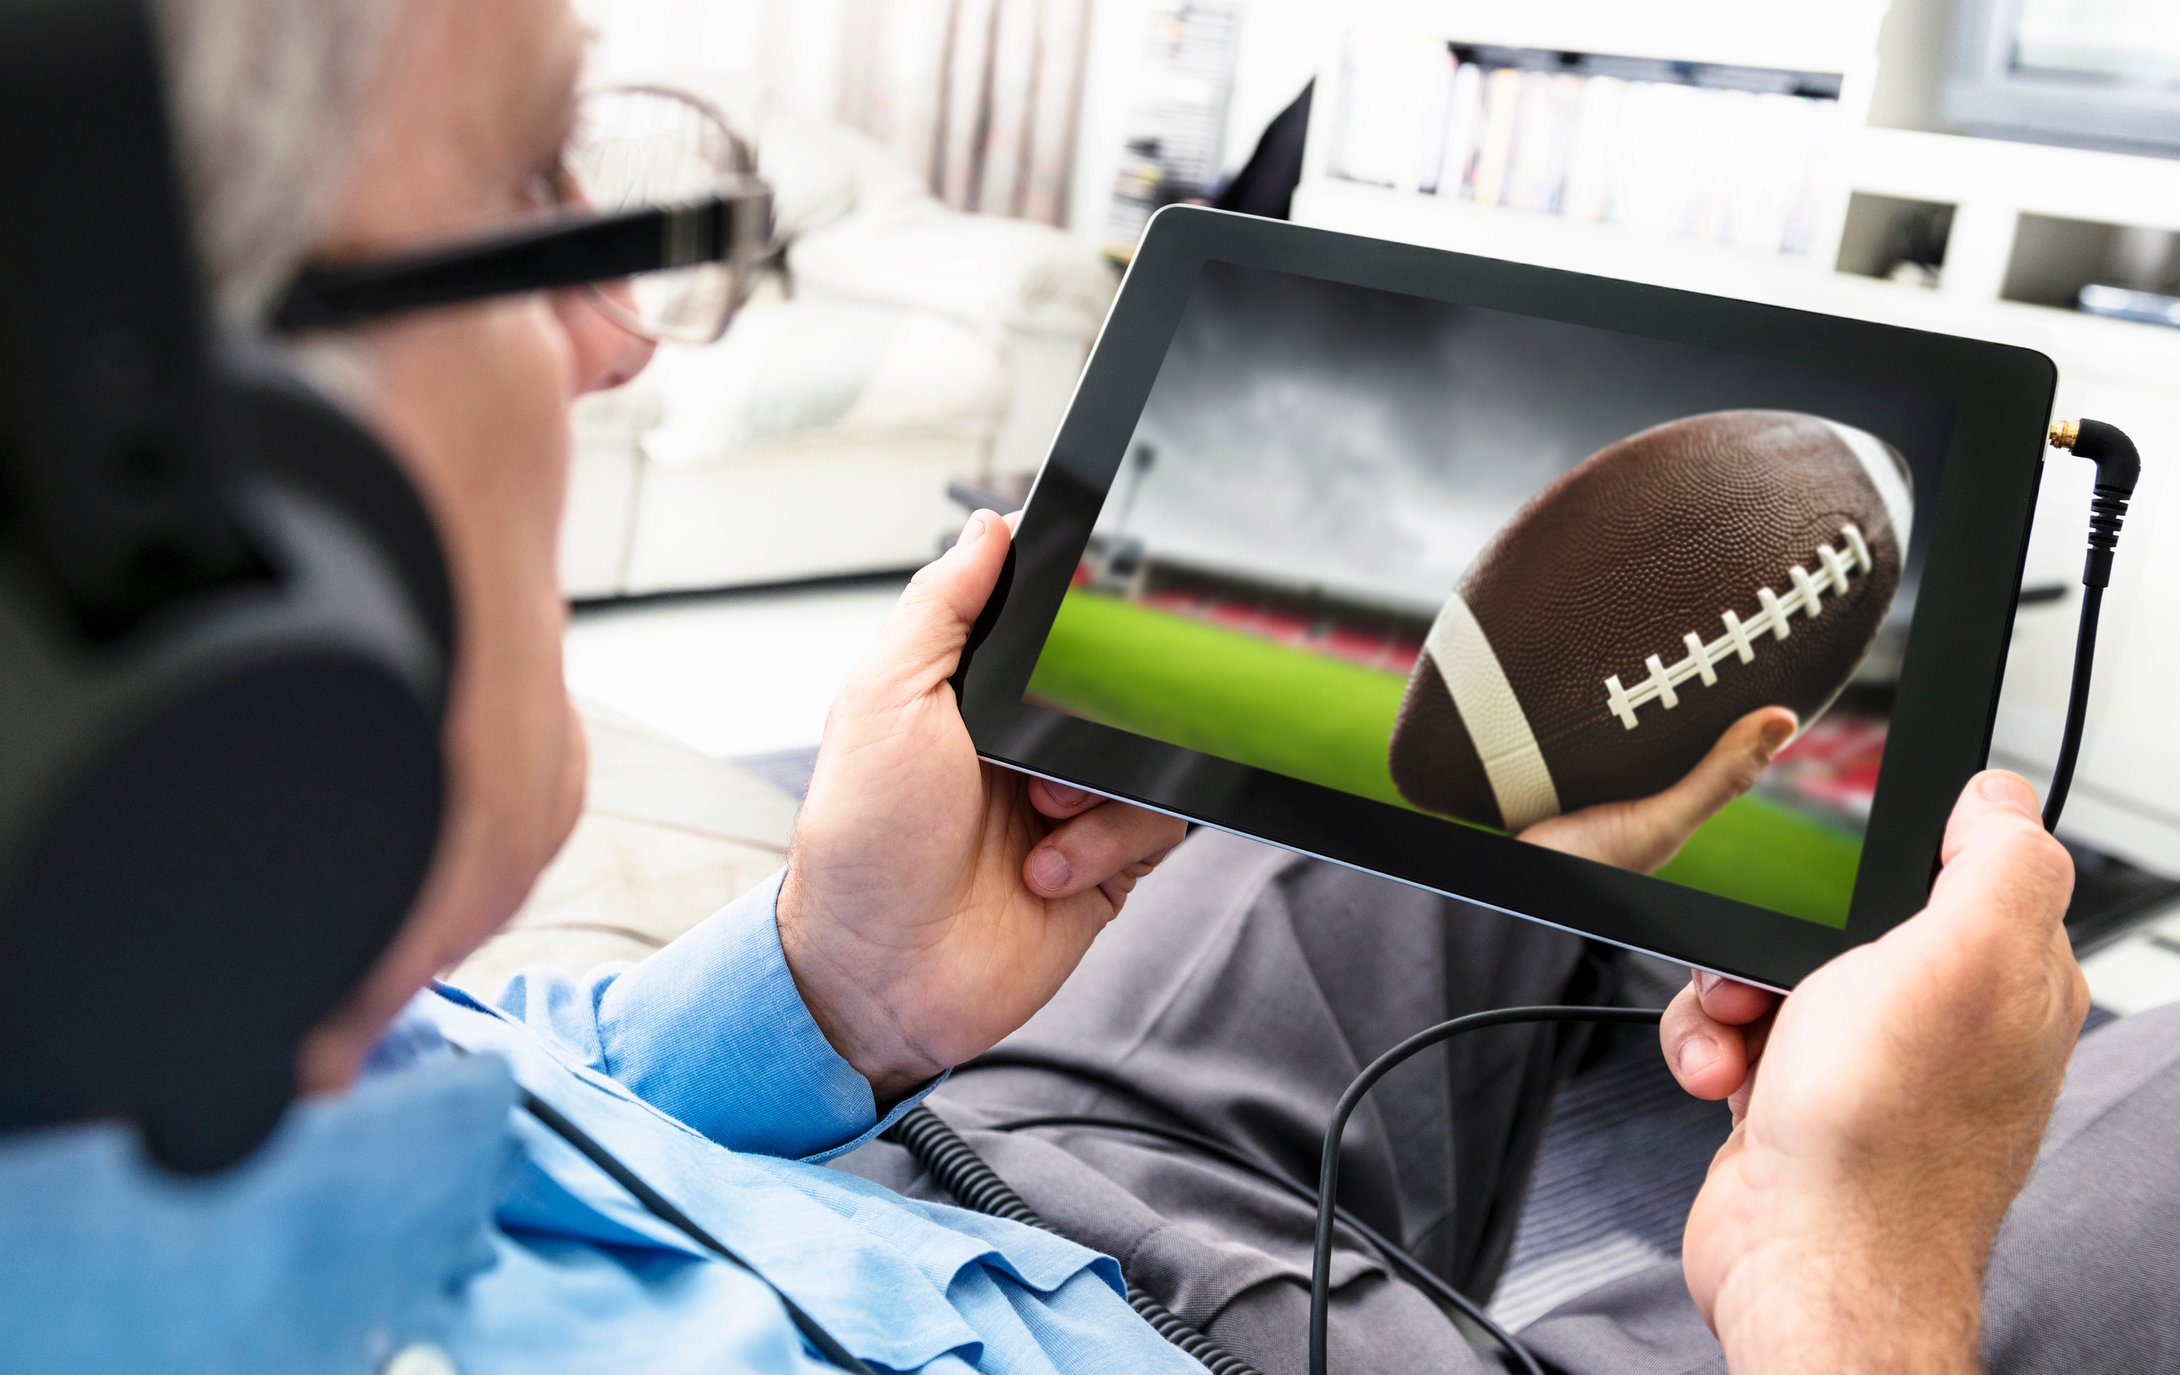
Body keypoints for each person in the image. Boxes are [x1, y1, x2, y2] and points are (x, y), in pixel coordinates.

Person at [5, 1, 2177, 1372]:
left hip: (970, 1139)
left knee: (1434, 748)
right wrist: (1852, 1294)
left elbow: (508, 1080)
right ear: (157, 485)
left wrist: (831, 983)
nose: (624, 340)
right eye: (536, 193)